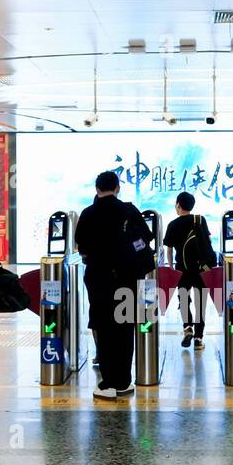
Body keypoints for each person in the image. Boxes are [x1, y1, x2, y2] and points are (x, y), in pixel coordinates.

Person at [75, 170, 155, 400]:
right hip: (127, 279)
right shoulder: (129, 210)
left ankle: (108, 382)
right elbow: (146, 238)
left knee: (104, 326)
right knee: (124, 327)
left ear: (97, 189)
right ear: (118, 187)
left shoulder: (88, 213)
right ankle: (123, 381)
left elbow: (83, 246)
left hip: (99, 279)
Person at [162, 191, 214, 351]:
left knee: (184, 300)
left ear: (178, 205)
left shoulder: (172, 225)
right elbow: (208, 242)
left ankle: (187, 328)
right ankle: (199, 339)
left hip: (182, 269)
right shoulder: (200, 219)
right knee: (200, 304)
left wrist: (171, 268)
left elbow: (169, 250)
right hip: (201, 269)